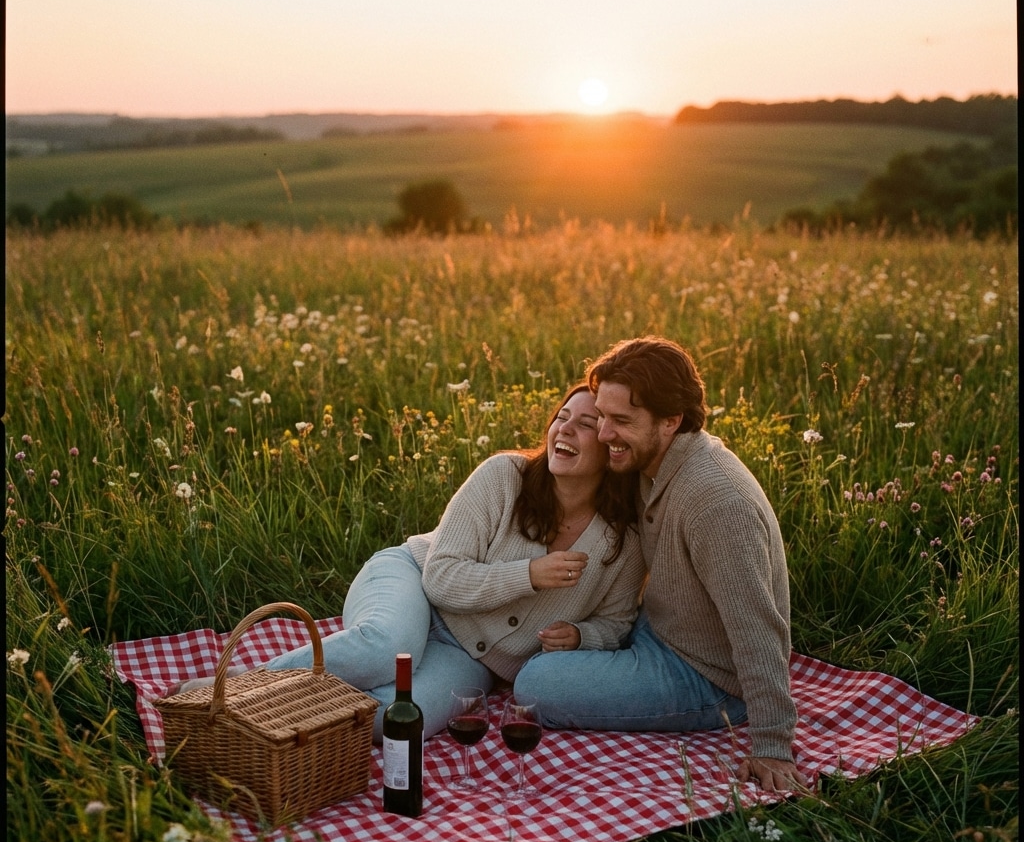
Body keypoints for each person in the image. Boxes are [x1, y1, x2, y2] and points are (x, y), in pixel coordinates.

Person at [172, 385, 645, 744]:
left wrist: (583, 636)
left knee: (401, 718)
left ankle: (266, 726)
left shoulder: (620, 541)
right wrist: (525, 576)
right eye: (561, 417)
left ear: (610, 445)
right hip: (413, 581)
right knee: (387, 649)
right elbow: (440, 577)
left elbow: (617, 623)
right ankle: (235, 690)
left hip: (469, 657)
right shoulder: (505, 476)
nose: (564, 429)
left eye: (585, 424)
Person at [514, 338, 807, 792]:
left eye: (621, 421)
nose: (605, 434)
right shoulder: (649, 462)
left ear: (671, 421)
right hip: (658, 629)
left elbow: (757, 627)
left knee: (536, 685)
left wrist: (771, 745)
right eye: (603, 416)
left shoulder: (716, 500)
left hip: (706, 677)